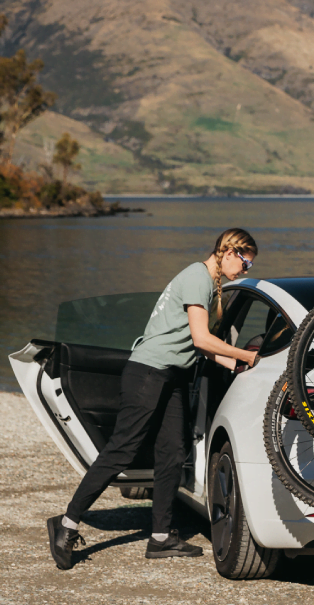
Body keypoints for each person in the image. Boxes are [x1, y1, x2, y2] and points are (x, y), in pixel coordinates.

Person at [47, 228, 260, 570]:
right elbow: (202, 339)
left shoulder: (207, 282)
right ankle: (67, 523)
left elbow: (199, 347)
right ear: (230, 252)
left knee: (172, 453)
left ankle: (160, 537)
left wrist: (240, 366)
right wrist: (248, 356)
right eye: (246, 262)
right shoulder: (198, 277)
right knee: (122, 450)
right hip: (149, 372)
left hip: (171, 375)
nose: (246, 269)